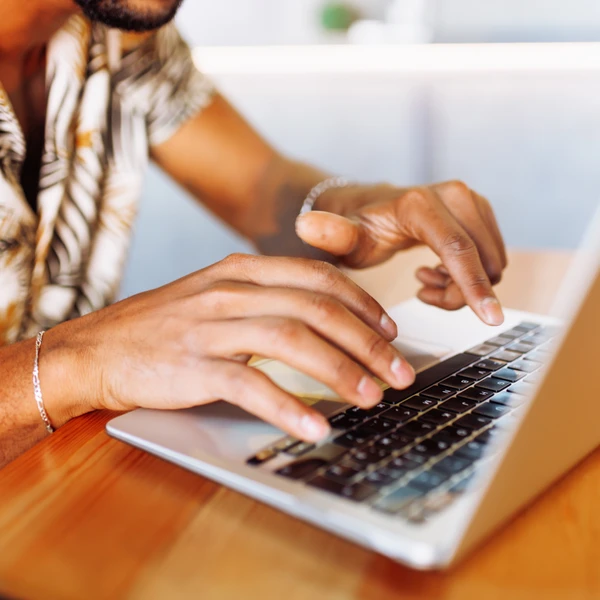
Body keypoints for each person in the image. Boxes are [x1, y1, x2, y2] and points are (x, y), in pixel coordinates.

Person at [0, 0, 507, 467]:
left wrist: (355, 208)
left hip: (54, 476)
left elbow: (262, 190)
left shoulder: (118, 27)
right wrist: (80, 362)